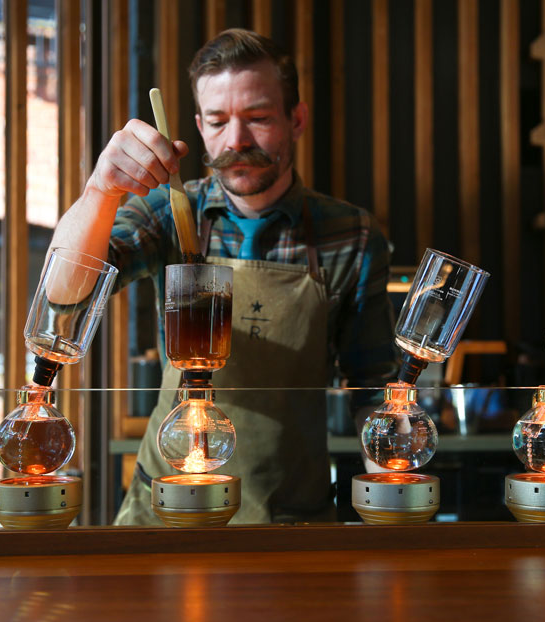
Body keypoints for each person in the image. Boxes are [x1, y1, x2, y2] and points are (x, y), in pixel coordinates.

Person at [50, 28, 396, 525]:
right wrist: (101, 191)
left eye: (257, 118)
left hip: (288, 520)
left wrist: (391, 512)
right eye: (217, 121)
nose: (236, 141)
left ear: (296, 119)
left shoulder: (350, 234)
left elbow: (372, 390)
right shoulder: (169, 213)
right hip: (164, 509)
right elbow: (64, 295)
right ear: (198, 125)